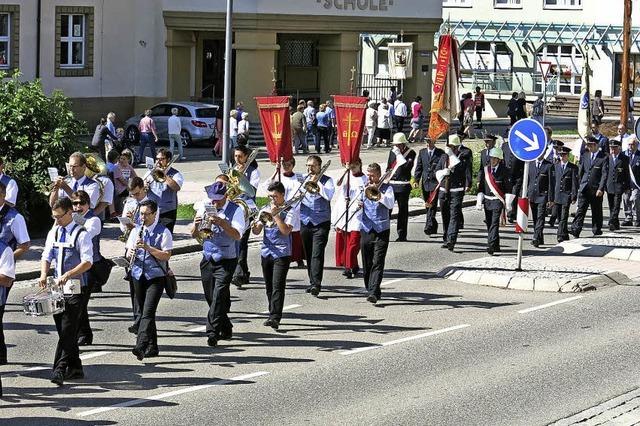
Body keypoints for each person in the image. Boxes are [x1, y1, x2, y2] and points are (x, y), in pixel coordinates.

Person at [39, 197, 94, 386]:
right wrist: (43, 274)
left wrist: (69, 274)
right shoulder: (54, 231)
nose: (56, 221)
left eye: (59, 217)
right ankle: (76, 367)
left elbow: (88, 261)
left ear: (70, 212)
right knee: (62, 329)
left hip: (76, 287)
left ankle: (59, 370)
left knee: (68, 328)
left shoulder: (81, 234)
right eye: (54, 217)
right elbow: (46, 256)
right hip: (56, 286)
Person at [192, 181, 244, 347]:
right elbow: (195, 235)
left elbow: (237, 235)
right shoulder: (206, 206)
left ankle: (212, 331)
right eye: (212, 199)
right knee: (211, 297)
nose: (215, 203)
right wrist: (196, 224)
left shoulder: (236, 210)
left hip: (226, 258)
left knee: (219, 294)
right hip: (208, 257)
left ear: (226, 196)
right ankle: (226, 326)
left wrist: (222, 223)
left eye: (218, 200)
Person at [127, 199, 172, 360]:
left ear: (154, 214)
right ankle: (153, 347)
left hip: (156, 277)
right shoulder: (136, 231)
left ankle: (140, 345)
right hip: (137, 274)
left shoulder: (163, 232)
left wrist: (148, 248)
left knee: (147, 312)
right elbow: (127, 252)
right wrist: (130, 253)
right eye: (141, 214)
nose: (142, 217)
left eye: (146, 214)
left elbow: (166, 255)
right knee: (143, 312)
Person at [252, 181, 295, 329]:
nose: (272, 200)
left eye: (275, 196)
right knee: (269, 286)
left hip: (282, 252)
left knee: (278, 285)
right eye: (270, 197)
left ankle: (275, 317)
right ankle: (272, 311)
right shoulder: (264, 209)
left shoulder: (290, 210)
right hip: (266, 251)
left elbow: (286, 231)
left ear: (282, 195)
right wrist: (255, 225)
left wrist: (276, 215)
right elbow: (256, 231)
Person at [120, 177, 160, 335]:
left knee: (143, 289)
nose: (135, 197)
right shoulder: (129, 203)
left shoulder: (152, 205)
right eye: (132, 194)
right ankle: (137, 319)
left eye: (137, 194)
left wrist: (135, 225)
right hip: (131, 245)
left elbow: (152, 224)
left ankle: (142, 321)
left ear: (143, 188)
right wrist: (126, 224)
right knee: (134, 287)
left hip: (147, 249)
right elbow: (123, 225)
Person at [0, 181, 30, 365]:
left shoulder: (14, 217)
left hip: (4, 269)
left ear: (2, 195)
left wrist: (8, 258)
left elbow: (24, 245)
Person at [70, 191, 103, 347]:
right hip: (75, 266)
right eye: (75, 204)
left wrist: (76, 222)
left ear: (88, 204)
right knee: (77, 301)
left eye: (81, 203)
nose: (77, 207)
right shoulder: (70, 220)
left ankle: (82, 334)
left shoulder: (94, 219)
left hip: (90, 266)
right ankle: (84, 334)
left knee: (81, 301)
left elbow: (86, 236)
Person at [360, 163, 394, 304]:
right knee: (367, 261)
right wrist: (359, 203)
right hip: (367, 228)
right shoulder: (363, 187)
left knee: (378, 261)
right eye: (368, 175)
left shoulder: (388, 188)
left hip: (382, 229)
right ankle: (371, 288)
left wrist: (380, 196)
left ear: (379, 175)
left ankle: (373, 291)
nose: (370, 178)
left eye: (373, 175)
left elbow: (390, 204)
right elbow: (359, 201)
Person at [261, 158, 305, 268]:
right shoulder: (278, 177)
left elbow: (303, 190)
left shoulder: (299, 177)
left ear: (293, 165)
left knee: (294, 235)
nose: (286, 166)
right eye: (284, 164)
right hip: (278, 207)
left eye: (288, 164)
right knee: (280, 233)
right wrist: (276, 171)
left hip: (292, 207)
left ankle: (297, 258)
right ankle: (284, 258)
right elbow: (265, 186)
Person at [300, 155, 335, 296]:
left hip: (321, 222)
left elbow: (329, 195)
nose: (310, 168)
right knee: (308, 254)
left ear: (319, 166)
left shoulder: (328, 181)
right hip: (305, 220)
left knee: (317, 254)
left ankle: (316, 284)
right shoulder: (303, 179)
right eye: (308, 165)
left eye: (313, 166)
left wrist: (317, 183)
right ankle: (312, 281)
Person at [332, 160, 367, 279]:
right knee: (345, 241)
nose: (353, 168)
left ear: (360, 165)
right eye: (351, 166)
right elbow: (338, 183)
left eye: (355, 165)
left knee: (354, 242)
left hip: (357, 213)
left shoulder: (365, 179)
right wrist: (346, 170)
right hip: (344, 211)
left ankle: (349, 266)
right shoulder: (347, 175)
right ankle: (352, 266)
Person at [231, 146, 260, 287]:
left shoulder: (253, 172)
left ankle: (239, 274)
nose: (237, 159)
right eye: (235, 156)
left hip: (246, 210)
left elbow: (252, 192)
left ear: (247, 157)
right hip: (233, 209)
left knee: (241, 243)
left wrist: (241, 177)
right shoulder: (232, 169)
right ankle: (243, 272)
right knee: (235, 242)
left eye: (240, 156)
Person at [438, 135, 472, 251]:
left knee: (454, 216)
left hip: (456, 190)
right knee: (445, 215)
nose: (450, 149)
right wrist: (443, 172)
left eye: (452, 146)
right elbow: (436, 171)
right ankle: (446, 237)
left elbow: (465, 170)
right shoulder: (443, 157)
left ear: (457, 147)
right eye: (449, 146)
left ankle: (451, 240)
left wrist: (468, 183)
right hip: (443, 190)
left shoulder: (463, 157)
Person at [571, 136, 609, 238]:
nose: (589, 147)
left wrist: (601, 188)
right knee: (580, 210)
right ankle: (576, 229)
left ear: (596, 145)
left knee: (596, 211)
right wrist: (580, 184)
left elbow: (604, 174)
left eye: (591, 145)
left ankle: (596, 229)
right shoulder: (585, 155)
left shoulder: (603, 157)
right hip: (584, 188)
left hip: (595, 189)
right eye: (588, 145)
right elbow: (581, 171)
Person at [477, 147, 509, 255]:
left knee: (494, 223)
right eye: (491, 158)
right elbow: (481, 186)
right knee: (489, 223)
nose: (493, 160)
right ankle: (496, 245)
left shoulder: (504, 171)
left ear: (499, 159)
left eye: (495, 158)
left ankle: (490, 245)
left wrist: (508, 202)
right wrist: (479, 199)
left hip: (497, 200)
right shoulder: (486, 170)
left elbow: (508, 187)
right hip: (487, 200)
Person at [144, 148, 183, 232]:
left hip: (167, 210)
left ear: (168, 160)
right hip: (152, 210)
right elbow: (142, 189)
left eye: (161, 159)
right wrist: (144, 187)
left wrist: (164, 176)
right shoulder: (150, 173)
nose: (158, 162)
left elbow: (177, 187)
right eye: (157, 159)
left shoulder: (175, 174)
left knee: (166, 234)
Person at [386, 132, 416, 241]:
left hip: (403, 185)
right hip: (392, 184)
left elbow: (406, 168)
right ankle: (384, 233)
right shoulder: (392, 152)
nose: (396, 146)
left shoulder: (411, 153)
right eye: (395, 144)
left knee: (403, 211)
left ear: (403, 144)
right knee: (387, 210)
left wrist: (399, 155)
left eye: (398, 144)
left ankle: (402, 235)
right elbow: (389, 167)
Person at [414, 137, 445, 235]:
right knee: (428, 205)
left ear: (434, 141)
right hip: (425, 183)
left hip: (435, 183)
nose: (428, 143)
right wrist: (416, 180)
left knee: (432, 204)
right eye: (426, 141)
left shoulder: (440, 153)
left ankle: (428, 226)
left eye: (430, 141)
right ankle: (433, 225)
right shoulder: (422, 152)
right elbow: (419, 167)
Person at [528, 150, 555, 247]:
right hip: (532, 195)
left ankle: (535, 237)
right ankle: (540, 238)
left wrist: (551, 199)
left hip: (542, 196)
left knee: (540, 217)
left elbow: (551, 184)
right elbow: (527, 180)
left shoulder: (549, 165)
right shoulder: (530, 164)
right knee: (535, 218)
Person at [554, 146, 579, 242]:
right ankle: (565, 234)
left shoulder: (573, 168)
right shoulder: (556, 166)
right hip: (557, 195)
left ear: (568, 156)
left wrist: (573, 196)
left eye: (564, 155)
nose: (562, 157)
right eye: (561, 155)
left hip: (566, 195)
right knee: (559, 216)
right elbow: (553, 182)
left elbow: (574, 183)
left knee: (564, 216)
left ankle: (560, 235)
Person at [605, 139, 630, 231]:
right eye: (611, 148)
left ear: (619, 148)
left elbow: (627, 174)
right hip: (609, 185)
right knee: (611, 205)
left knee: (616, 205)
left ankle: (611, 221)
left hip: (619, 185)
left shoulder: (624, 158)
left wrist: (627, 187)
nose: (613, 150)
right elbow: (605, 173)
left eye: (614, 148)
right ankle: (616, 224)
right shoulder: (607, 158)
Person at [502, 137, 524, 223]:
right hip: (507, 175)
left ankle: (512, 214)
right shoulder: (504, 146)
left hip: (518, 175)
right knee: (507, 195)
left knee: (514, 194)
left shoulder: (520, 146)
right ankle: (507, 213)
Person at [113, 149, 137, 215]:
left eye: (124, 159)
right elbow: (122, 180)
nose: (121, 160)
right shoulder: (116, 167)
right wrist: (130, 187)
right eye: (121, 158)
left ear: (128, 160)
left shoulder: (129, 167)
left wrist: (136, 183)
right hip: (118, 188)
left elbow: (135, 177)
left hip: (125, 188)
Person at [622, 136, 640, 226]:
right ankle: (628, 217)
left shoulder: (639, 155)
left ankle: (637, 218)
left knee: (635, 199)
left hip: (636, 183)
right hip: (626, 182)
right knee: (626, 199)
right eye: (629, 144)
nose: (630, 146)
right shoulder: (623, 155)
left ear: (637, 145)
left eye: (632, 144)